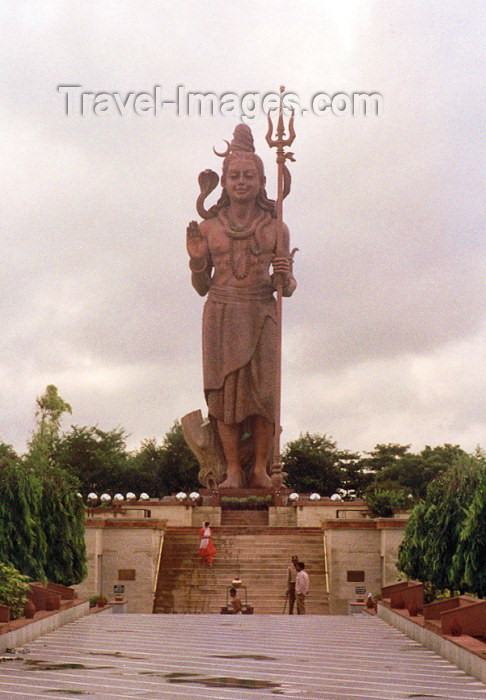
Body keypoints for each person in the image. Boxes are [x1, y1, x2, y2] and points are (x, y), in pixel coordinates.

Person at [186, 124, 296, 489]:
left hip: (261, 310)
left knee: (265, 394)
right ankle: (233, 470)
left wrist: (284, 274)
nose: (241, 181)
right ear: (224, 180)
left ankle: (260, 469)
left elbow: (288, 287)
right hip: (221, 311)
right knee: (225, 395)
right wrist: (198, 261)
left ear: (262, 180)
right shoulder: (208, 228)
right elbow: (201, 287)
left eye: (249, 175)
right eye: (234, 175)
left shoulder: (276, 228)